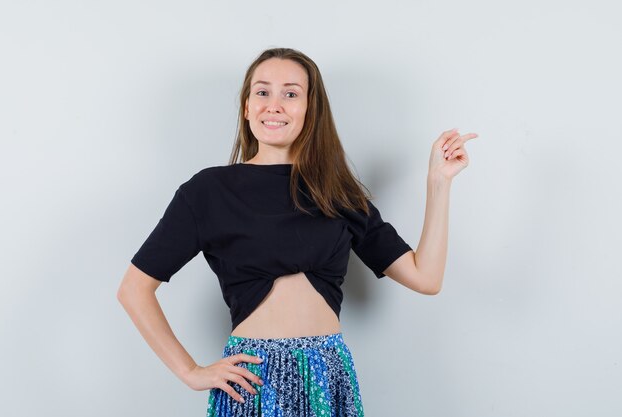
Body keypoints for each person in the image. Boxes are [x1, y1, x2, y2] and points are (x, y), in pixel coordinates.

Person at [117, 47, 478, 416]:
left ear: (310, 109)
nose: (274, 104)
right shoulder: (208, 191)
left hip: (327, 373)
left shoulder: (338, 191)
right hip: (252, 379)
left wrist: (439, 182)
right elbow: (134, 289)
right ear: (246, 107)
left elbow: (426, 277)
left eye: (290, 93)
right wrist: (190, 371)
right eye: (262, 92)